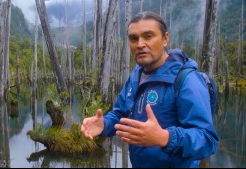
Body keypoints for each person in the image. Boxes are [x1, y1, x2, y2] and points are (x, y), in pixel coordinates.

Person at [81, 11, 219, 168]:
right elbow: (121, 113)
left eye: (148, 36)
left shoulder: (186, 80)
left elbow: (208, 140)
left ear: (165, 38)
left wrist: (165, 137)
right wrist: (104, 124)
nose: (140, 44)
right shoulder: (136, 76)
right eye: (134, 38)